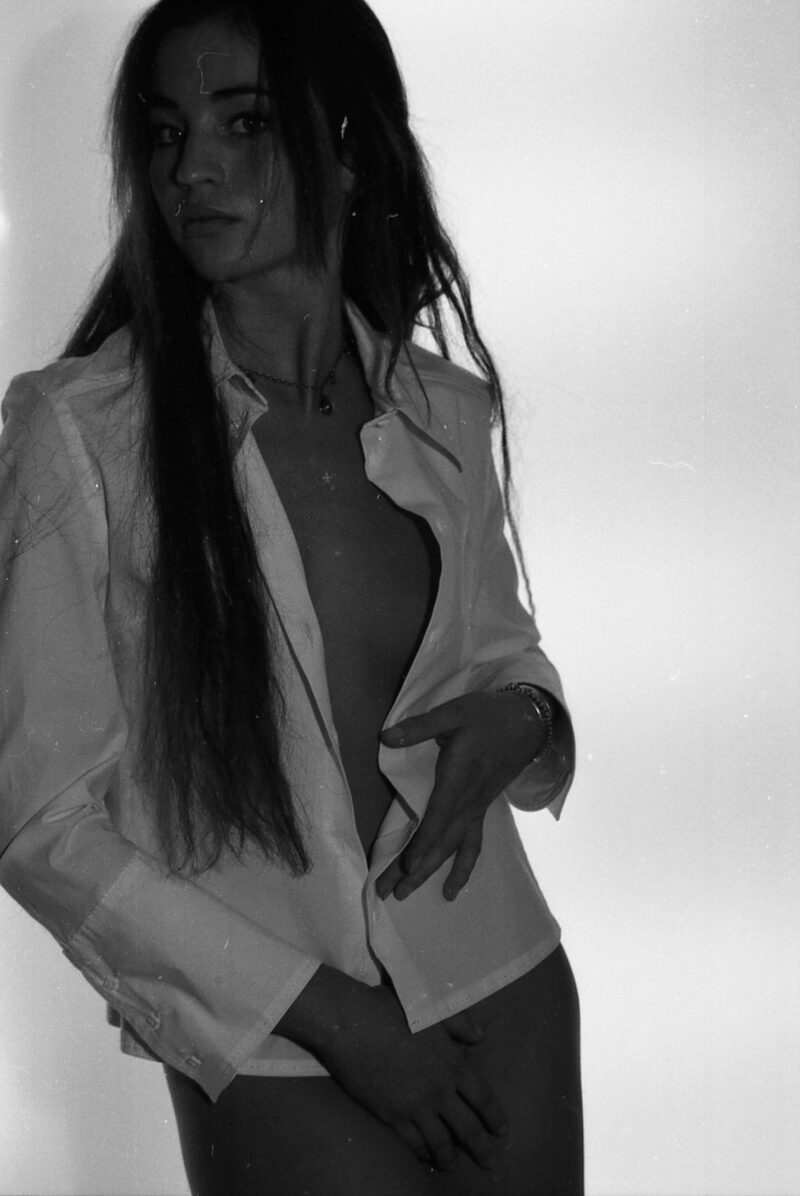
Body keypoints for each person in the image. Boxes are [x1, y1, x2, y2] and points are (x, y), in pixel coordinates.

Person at [0, 1, 582, 1192]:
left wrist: (524, 717)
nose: (191, 169)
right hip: (271, 1036)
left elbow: (501, 652)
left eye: (244, 123)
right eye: (168, 132)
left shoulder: (442, 409)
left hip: (498, 979)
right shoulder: (82, 434)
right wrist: (335, 1016)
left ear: (349, 145)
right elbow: (37, 818)